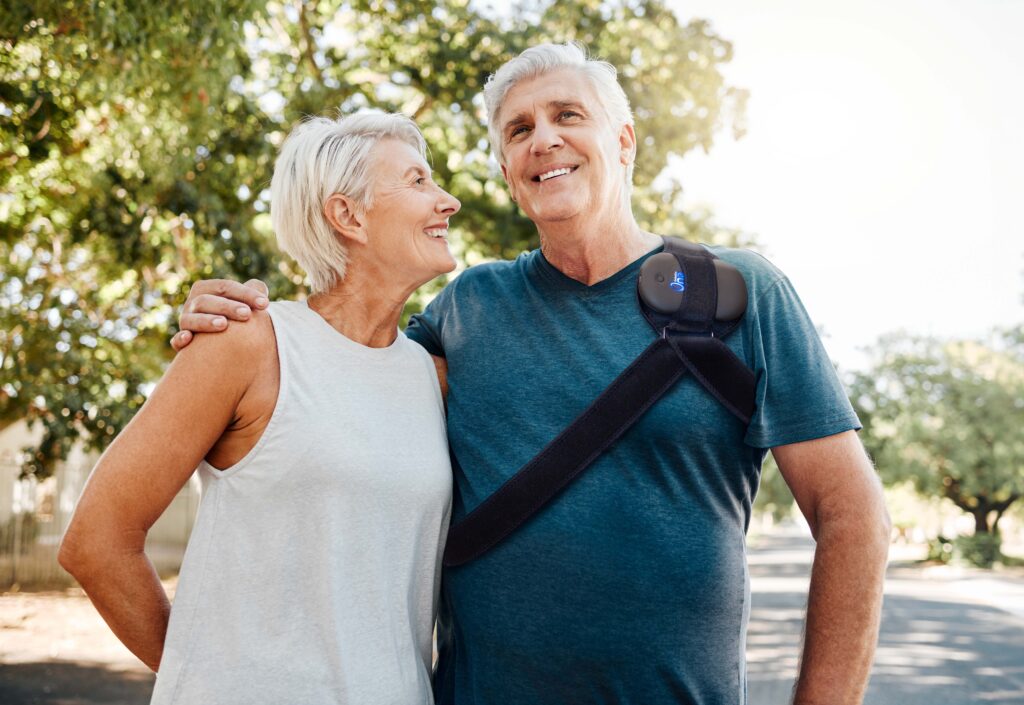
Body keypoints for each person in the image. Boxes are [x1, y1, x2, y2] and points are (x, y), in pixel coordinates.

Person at [173, 43, 890, 704]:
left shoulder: (739, 291)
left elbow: (852, 513)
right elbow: (334, 372)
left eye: (567, 115)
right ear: (512, 176)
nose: (542, 138)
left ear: (624, 141)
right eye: (517, 131)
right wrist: (246, 319)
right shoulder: (466, 310)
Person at [58, 112, 460, 704]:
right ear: (347, 214)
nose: (447, 201)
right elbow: (97, 540)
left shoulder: (433, 377)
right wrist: (212, 677)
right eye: (418, 181)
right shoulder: (247, 343)